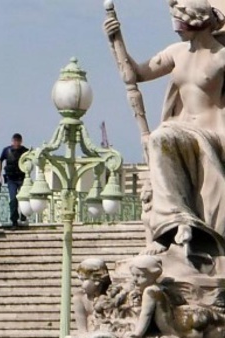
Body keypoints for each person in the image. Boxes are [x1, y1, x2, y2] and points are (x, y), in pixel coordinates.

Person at [104, 0, 225, 256]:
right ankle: (176, 222)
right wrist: (116, 40)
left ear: (198, 22)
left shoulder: (221, 57)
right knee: (161, 137)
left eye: (179, 23)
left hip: (214, 134)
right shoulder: (177, 52)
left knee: (162, 136)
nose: (176, 29)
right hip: (181, 130)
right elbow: (136, 74)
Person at [0, 133, 29, 229]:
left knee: (24, 198)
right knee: (13, 199)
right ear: (12, 141)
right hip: (11, 179)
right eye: (15, 141)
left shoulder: (25, 151)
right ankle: (14, 221)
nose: (16, 143)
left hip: (22, 178)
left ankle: (24, 214)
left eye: (18, 142)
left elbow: (30, 162)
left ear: (21, 142)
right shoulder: (6, 151)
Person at [73, 258, 112, 333]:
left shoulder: (109, 296)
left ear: (97, 281)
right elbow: (82, 329)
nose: (81, 285)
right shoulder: (79, 299)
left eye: (84, 280)